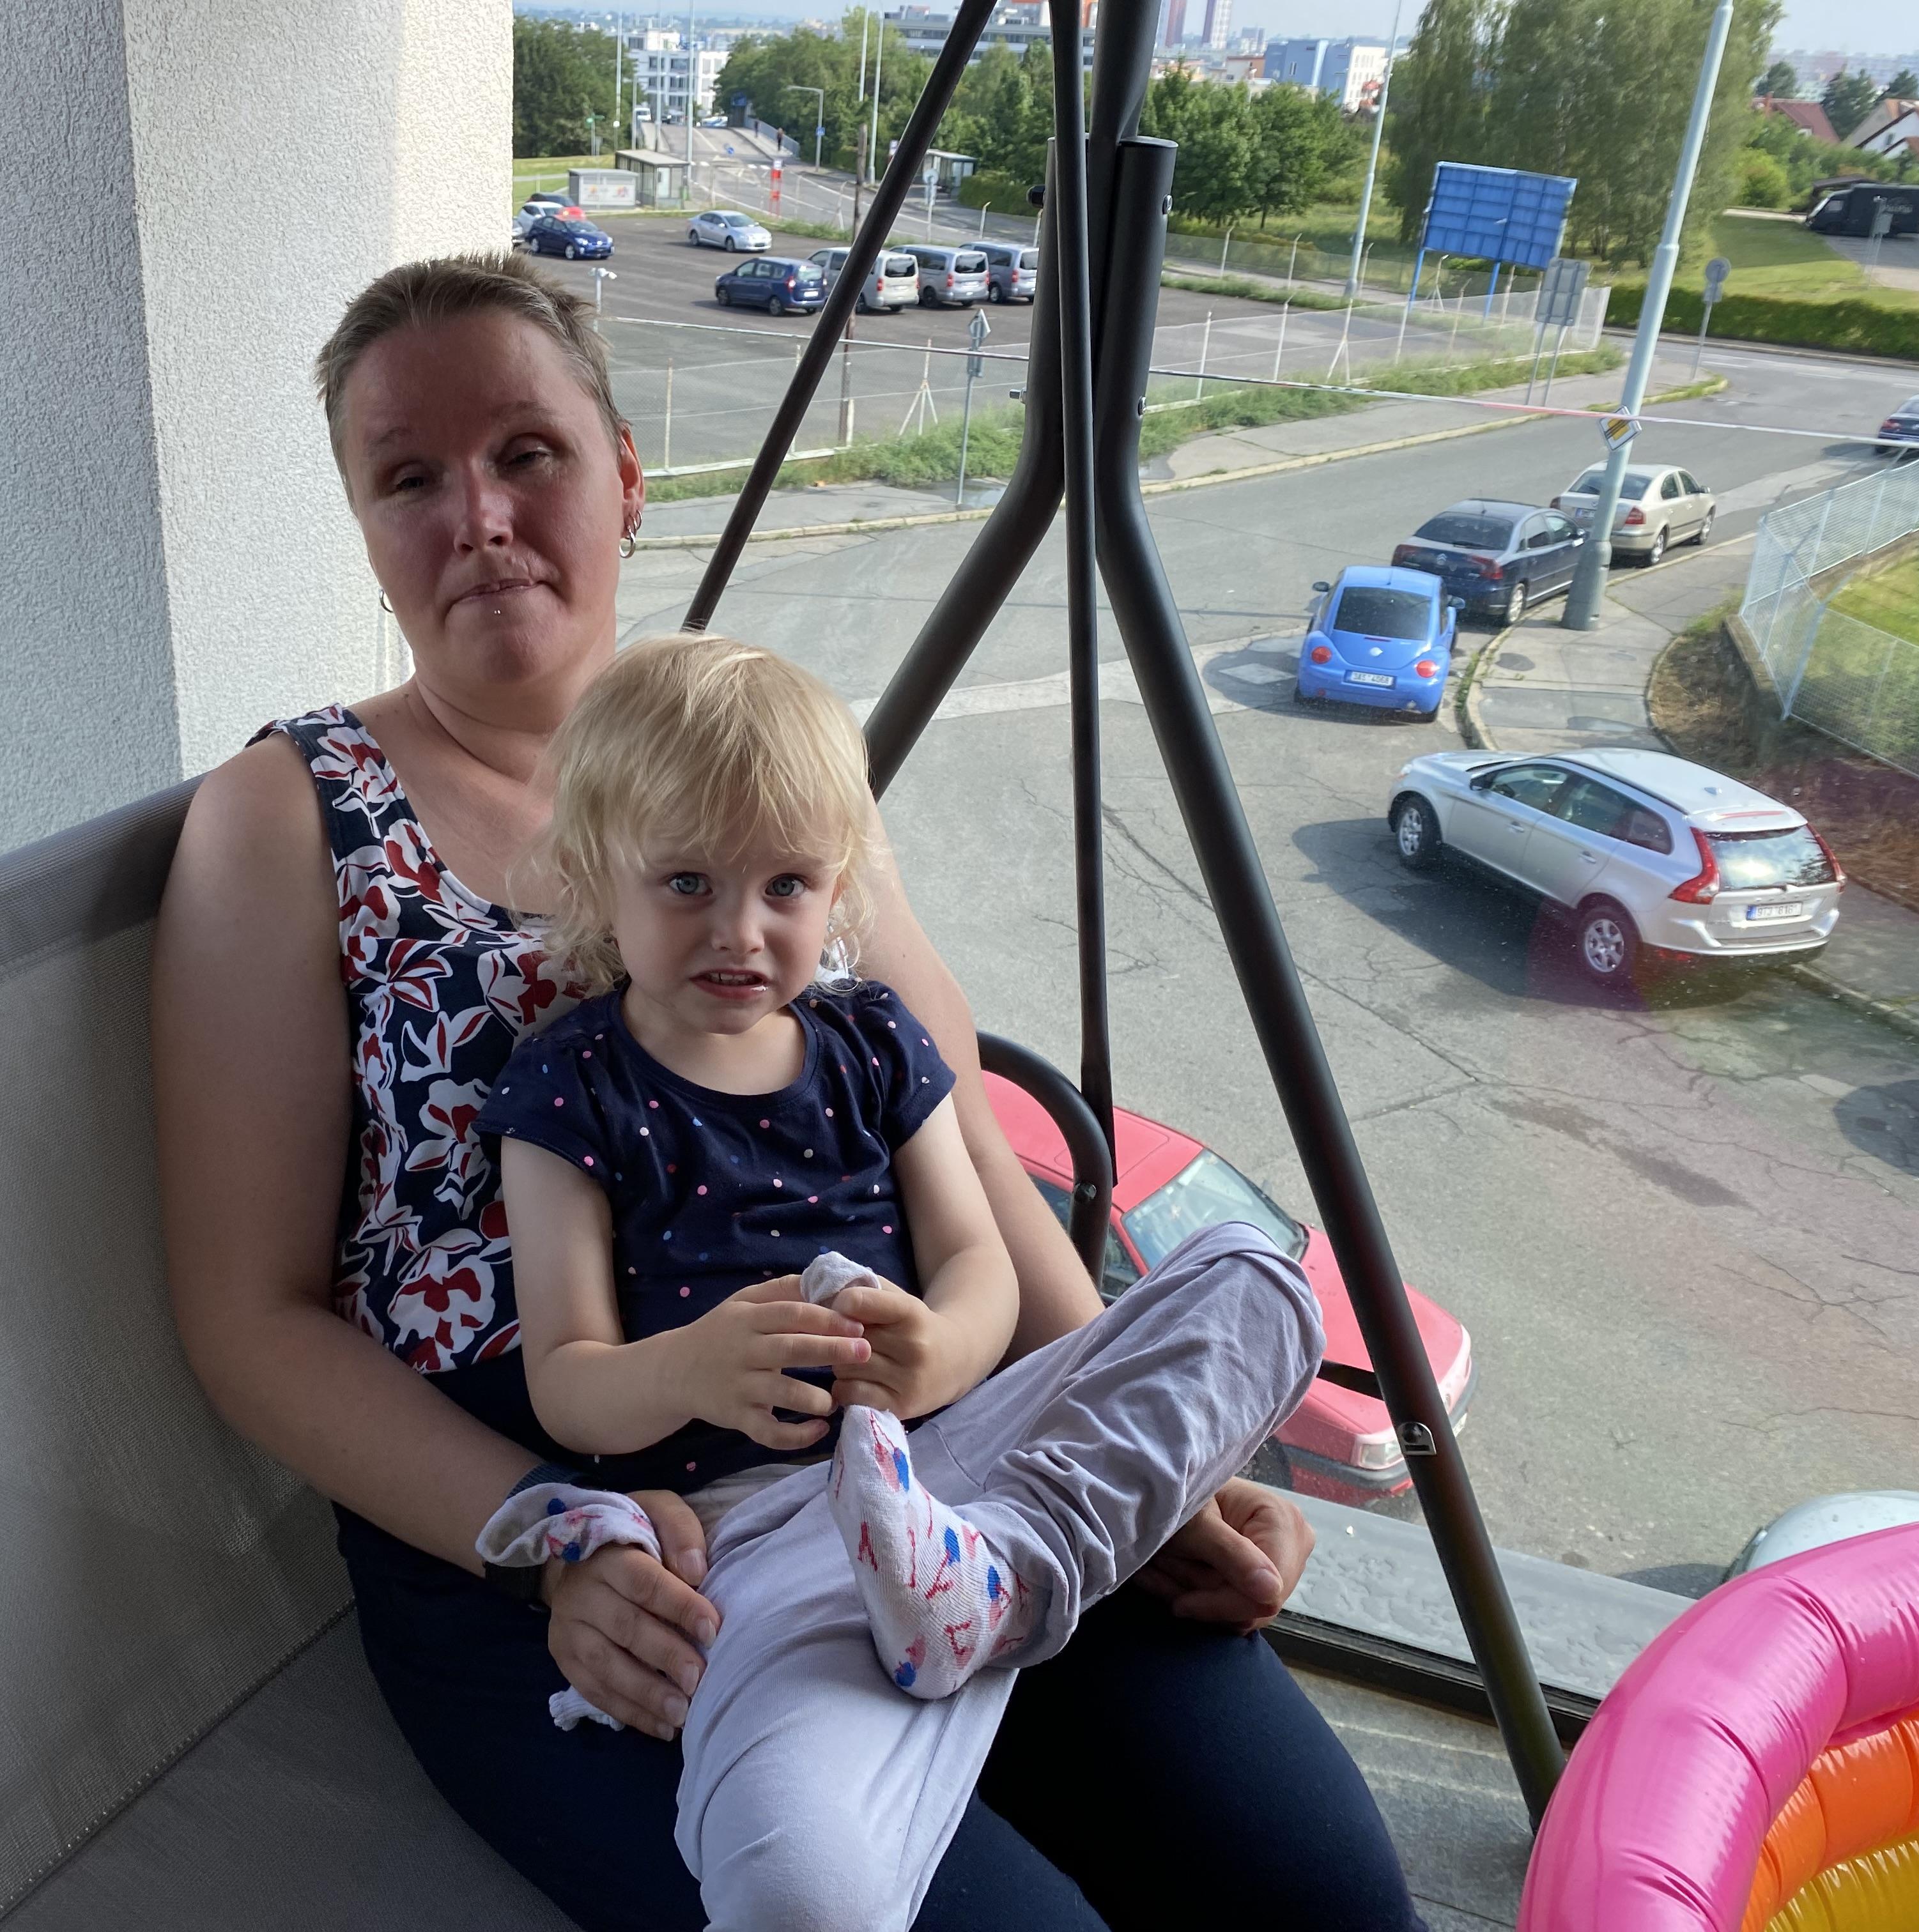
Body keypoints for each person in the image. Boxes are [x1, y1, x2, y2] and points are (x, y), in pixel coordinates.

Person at [151, 249, 1430, 1932]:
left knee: (1322, 1886)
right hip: (606, 1563)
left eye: (527, 452)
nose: (478, 516)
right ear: (368, 528)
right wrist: (546, 1534)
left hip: (939, 1469)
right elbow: (248, 1318)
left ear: (623, 475)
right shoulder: (288, 818)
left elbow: (957, 1136)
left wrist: (1124, 1447)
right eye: (409, 479)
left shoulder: (758, 750)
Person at [477, 633, 1325, 1929]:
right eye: (689, 882)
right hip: (754, 1538)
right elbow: (568, 1382)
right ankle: (994, 1588)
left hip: (962, 1468)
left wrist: (943, 1350)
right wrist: (692, 1367)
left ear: (838, 888)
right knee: (793, 1887)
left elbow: (980, 1256)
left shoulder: (870, 1040)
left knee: (1259, 1283)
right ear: (598, 875)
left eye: (786, 885)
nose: (741, 931)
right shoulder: (570, 1087)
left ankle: (997, 1579)